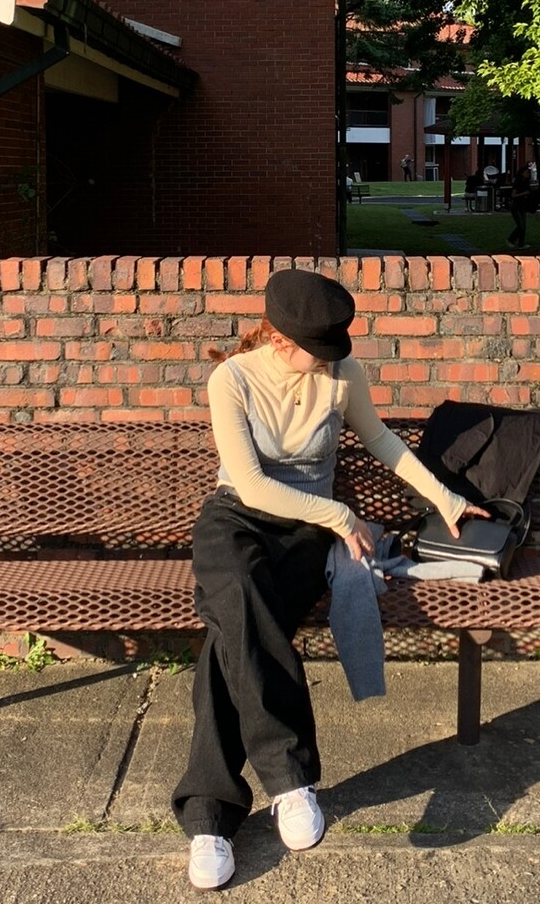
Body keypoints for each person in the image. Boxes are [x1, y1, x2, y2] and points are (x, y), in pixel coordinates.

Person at [172, 269, 488, 890]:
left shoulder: (343, 375)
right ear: (281, 340)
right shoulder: (232, 379)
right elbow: (251, 484)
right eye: (317, 349)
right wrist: (343, 516)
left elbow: (383, 442)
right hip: (236, 520)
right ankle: (290, 782)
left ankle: (209, 816)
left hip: (304, 534)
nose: (328, 360)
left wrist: (447, 500)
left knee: (232, 637)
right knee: (240, 602)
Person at [508, 164, 532, 248]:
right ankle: (511, 239)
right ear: (522, 173)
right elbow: (513, 195)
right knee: (520, 225)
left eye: (528, 172)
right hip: (516, 205)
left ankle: (521, 243)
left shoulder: (526, 182)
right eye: (526, 172)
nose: (528, 174)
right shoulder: (518, 182)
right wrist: (524, 193)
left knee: (523, 225)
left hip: (522, 205)